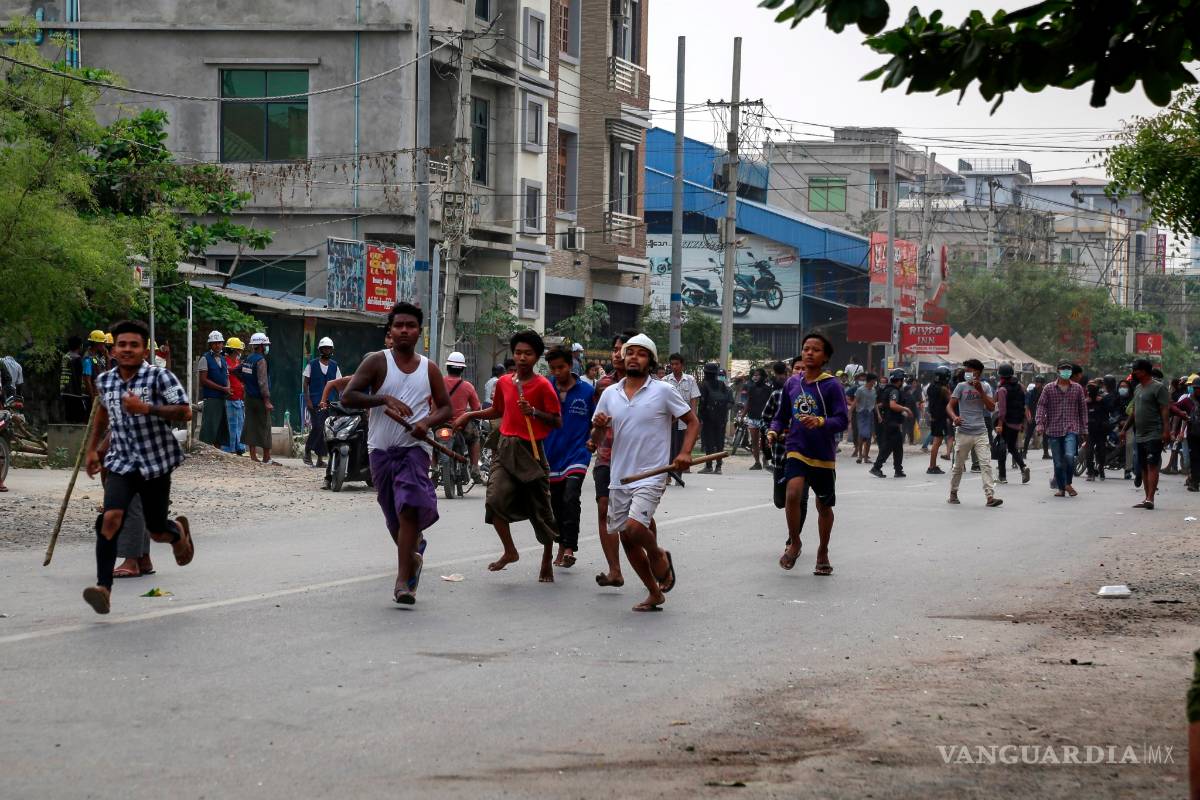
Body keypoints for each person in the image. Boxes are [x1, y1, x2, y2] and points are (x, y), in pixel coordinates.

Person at [81, 319, 195, 615]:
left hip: (156, 462)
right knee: (110, 518)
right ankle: (103, 589)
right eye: (122, 345)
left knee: (156, 530)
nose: (127, 350)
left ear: (144, 350)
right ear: (113, 350)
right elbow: (104, 415)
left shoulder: (160, 378)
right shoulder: (105, 381)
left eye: (134, 345)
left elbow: (185, 412)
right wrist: (94, 450)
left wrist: (148, 409)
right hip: (121, 461)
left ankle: (178, 532)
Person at [341, 302, 452, 605]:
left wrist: (426, 423)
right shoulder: (378, 362)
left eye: (411, 325)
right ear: (390, 331)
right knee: (394, 517)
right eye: (399, 325)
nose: (404, 330)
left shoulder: (429, 368)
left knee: (409, 509)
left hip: (414, 450)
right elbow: (348, 396)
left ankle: (402, 582)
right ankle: (414, 557)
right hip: (381, 451)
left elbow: (446, 408)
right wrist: (382, 399)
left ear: (419, 331)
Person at [590, 334, 698, 612]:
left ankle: (658, 554)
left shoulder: (663, 390)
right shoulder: (610, 394)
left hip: (652, 474)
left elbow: (692, 421)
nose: (633, 357)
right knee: (627, 538)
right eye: (630, 353)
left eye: (640, 353)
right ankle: (654, 592)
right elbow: (597, 439)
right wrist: (599, 427)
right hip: (620, 476)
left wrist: (685, 452)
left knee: (634, 528)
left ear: (650, 360)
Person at [454, 330, 562, 583]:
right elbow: (497, 410)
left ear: (537, 357)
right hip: (504, 447)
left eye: (528, 353)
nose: (522, 357)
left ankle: (547, 558)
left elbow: (557, 421)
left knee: (541, 510)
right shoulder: (504, 382)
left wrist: (534, 412)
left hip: (531, 451)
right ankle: (510, 550)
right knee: (493, 500)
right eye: (518, 353)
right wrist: (470, 415)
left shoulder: (543, 385)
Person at [770, 333, 848, 576]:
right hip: (797, 448)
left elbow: (842, 420)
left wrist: (821, 421)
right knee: (793, 493)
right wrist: (773, 431)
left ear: (825, 357)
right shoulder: (792, 384)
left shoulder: (832, 385)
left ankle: (823, 551)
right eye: (806, 348)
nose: (809, 353)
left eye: (815, 349)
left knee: (823, 506)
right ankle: (795, 542)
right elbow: (782, 415)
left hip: (823, 453)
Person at [590, 332, 635, 589]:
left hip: (637, 462)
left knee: (637, 518)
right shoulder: (604, 385)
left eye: (624, 349)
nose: (617, 354)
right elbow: (598, 422)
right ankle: (614, 569)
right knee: (604, 509)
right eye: (615, 349)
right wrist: (593, 438)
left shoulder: (653, 386)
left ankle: (653, 556)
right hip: (607, 456)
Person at [544, 347, 595, 569]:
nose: (557, 372)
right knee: (555, 503)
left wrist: (593, 440)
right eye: (553, 368)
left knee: (570, 497)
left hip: (578, 453)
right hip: (551, 455)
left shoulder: (587, 391)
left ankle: (569, 547)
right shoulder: (545, 390)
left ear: (570, 365)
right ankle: (559, 543)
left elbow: (596, 421)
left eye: (561, 367)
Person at [946, 359, 1004, 507]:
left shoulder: (985, 386)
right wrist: (955, 417)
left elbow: (991, 408)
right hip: (963, 431)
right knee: (958, 465)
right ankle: (953, 493)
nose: (966, 373)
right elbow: (949, 406)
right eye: (966, 370)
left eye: (969, 370)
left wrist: (980, 391)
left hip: (981, 431)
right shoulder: (960, 386)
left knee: (986, 464)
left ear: (978, 372)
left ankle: (990, 497)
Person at [1122, 358, 1172, 510]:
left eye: (1136, 370)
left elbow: (1165, 409)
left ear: (1143, 371)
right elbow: (1135, 411)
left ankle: (1151, 498)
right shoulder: (1138, 388)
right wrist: (1125, 429)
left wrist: (1166, 430)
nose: (1134, 373)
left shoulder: (1158, 388)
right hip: (1140, 434)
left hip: (1154, 433)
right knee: (1143, 466)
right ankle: (1146, 498)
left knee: (1152, 465)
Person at [1036, 360, 1088, 498]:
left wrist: (1084, 429)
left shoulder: (1077, 388)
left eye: (1068, 370)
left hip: (1071, 428)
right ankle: (1061, 488)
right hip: (1053, 430)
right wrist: (1040, 424)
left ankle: (1067, 483)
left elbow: (1083, 410)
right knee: (1058, 463)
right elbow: (1041, 406)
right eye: (1063, 369)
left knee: (1070, 457)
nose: (1066, 372)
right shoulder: (1048, 388)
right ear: (1058, 371)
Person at [442, 351, 483, 482]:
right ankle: (475, 467)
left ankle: (434, 466)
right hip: (461, 425)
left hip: (439, 423)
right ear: (462, 370)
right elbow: (477, 408)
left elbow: (428, 402)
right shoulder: (468, 386)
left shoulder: (438, 383)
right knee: (475, 438)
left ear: (447, 367)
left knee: (431, 441)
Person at [662, 353, 701, 488]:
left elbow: (693, 399)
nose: (674, 366)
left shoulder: (690, 380)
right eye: (672, 364)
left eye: (677, 364)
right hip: (670, 419)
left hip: (684, 420)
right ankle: (666, 475)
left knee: (680, 447)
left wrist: (694, 418)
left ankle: (678, 475)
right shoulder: (665, 380)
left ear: (682, 365)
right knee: (668, 448)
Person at [303, 337, 342, 468]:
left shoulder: (334, 366)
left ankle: (320, 458)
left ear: (332, 350)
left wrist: (342, 398)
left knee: (326, 430)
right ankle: (308, 450)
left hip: (329, 402)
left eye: (329, 348)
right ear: (320, 350)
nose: (327, 350)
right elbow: (305, 383)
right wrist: (307, 399)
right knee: (318, 426)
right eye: (324, 348)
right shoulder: (312, 364)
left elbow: (339, 384)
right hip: (315, 401)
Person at [238, 332, 275, 464]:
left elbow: (237, 371)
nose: (266, 347)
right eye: (265, 345)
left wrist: (246, 383)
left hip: (248, 397)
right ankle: (266, 457)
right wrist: (267, 401)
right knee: (265, 426)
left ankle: (253, 456)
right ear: (260, 345)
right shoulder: (261, 360)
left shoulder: (248, 359)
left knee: (250, 425)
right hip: (260, 399)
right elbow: (262, 382)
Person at [993, 363, 1031, 485]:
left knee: (1001, 448)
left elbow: (1002, 410)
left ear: (1001, 375)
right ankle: (1023, 467)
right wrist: (1023, 421)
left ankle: (1002, 476)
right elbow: (1024, 403)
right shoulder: (1020, 386)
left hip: (1006, 422)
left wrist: (999, 424)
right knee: (1012, 447)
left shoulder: (1002, 389)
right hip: (1017, 422)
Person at [869, 369, 911, 478]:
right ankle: (876, 467)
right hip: (891, 423)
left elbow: (884, 404)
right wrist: (905, 409)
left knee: (898, 447)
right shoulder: (894, 391)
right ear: (899, 380)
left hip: (890, 422)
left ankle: (898, 470)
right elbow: (893, 405)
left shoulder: (887, 390)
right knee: (887, 447)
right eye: (902, 379)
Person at [196, 330, 231, 449]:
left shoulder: (223, 359)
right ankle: (203, 452)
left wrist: (228, 388)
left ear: (222, 344)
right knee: (209, 427)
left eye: (219, 342)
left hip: (222, 398)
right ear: (210, 345)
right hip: (211, 398)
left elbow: (226, 376)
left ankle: (217, 453)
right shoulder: (205, 359)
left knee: (221, 428)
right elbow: (203, 380)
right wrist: (222, 388)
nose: (217, 345)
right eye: (214, 343)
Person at [698, 362, 733, 474]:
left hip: (708, 418)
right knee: (719, 442)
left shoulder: (704, 385)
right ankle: (718, 467)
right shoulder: (722, 385)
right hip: (721, 418)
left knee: (709, 442)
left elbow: (702, 403)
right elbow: (729, 402)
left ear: (706, 373)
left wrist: (700, 417)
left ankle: (709, 466)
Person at [744, 368, 774, 470]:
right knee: (754, 441)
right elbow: (748, 402)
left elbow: (771, 404)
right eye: (754, 375)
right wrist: (743, 415)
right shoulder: (751, 388)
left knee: (765, 441)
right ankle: (757, 462)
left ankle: (765, 460)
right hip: (752, 417)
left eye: (758, 375)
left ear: (763, 377)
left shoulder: (768, 389)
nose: (755, 377)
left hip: (764, 419)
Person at [222, 337, 248, 455]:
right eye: (238, 350)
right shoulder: (225, 361)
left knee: (240, 424)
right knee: (232, 425)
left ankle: (239, 447)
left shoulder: (237, 362)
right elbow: (227, 375)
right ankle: (230, 448)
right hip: (231, 398)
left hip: (239, 398)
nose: (240, 353)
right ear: (233, 350)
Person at [925, 366, 952, 475]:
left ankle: (933, 465)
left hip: (934, 417)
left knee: (937, 441)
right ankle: (932, 466)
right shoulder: (943, 389)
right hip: (940, 418)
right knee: (937, 442)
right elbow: (951, 400)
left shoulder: (931, 387)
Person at [1176, 374, 1200, 492]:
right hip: (1193, 435)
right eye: (1195, 388)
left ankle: (1194, 479)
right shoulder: (1187, 400)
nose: (1196, 390)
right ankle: (1194, 482)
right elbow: (1175, 409)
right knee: (1194, 459)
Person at [1084, 381, 1112, 481]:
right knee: (1089, 451)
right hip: (1090, 431)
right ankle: (1090, 472)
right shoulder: (1086, 402)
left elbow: (1108, 412)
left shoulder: (1102, 401)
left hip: (1101, 431)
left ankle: (1101, 468)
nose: (1090, 393)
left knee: (1101, 451)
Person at [59, 335, 89, 423]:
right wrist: (82, 390)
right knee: (80, 416)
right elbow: (80, 376)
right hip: (74, 392)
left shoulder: (65, 356)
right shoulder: (77, 358)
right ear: (80, 346)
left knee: (69, 417)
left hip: (64, 389)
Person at [850, 372, 878, 464]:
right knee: (861, 434)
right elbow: (855, 402)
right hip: (861, 414)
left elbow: (875, 403)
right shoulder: (860, 390)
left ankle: (866, 457)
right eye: (874, 380)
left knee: (869, 436)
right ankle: (860, 456)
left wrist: (878, 414)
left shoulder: (874, 390)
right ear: (871, 380)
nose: (875, 382)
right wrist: (849, 413)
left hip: (870, 414)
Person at [1023, 376, 1046, 459]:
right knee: (1028, 434)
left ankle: (1046, 453)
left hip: (1043, 416)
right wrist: (1028, 417)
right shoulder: (1030, 393)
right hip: (1033, 415)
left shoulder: (1045, 392)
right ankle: (1024, 452)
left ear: (1043, 384)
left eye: (1039, 382)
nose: (1037, 384)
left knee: (1046, 434)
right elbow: (1026, 406)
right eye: (1036, 382)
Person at [81, 330, 107, 401]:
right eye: (102, 343)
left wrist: (107, 356)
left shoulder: (96, 356)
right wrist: (93, 399)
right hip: (91, 397)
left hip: (98, 395)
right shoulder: (88, 359)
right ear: (96, 343)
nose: (104, 345)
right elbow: (87, 380)